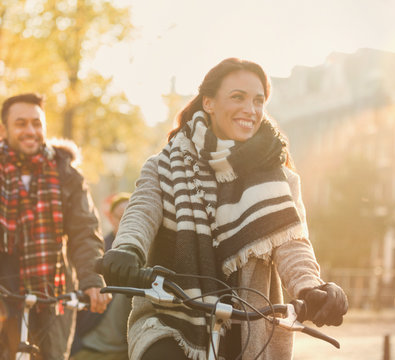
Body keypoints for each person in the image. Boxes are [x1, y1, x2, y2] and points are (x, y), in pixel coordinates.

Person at [100, 58, 348, 360]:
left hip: (251, 322)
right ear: (209, 103)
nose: (251, 109)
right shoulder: (164, 166)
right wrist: (127, 249)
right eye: (238, 97)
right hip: (171, 317)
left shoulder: (280, 178)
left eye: (258, 100)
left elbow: (291, 243)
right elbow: (141, 211)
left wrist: (310, 287)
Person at [0, 93, 111, 360]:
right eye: (21, 124)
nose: (30, 131)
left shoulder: (67, 175)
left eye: (36, 123)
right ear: (3, 129)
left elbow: (85, 233)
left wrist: (91, 279)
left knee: (47, 353)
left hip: (49, 291)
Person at [70, 192, 132, 360]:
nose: (128, 223)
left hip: (128, 352)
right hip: (90, 349)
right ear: (111, 219)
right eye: (122, 218)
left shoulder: (150, 255)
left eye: (132, 217)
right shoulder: (95, 253)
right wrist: (75, 347)